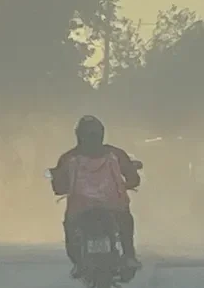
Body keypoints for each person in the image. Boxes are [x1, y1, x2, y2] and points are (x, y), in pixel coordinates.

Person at [50, 115, 141, 278]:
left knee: (71, 227)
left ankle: (79, 263)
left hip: (80, 206)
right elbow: (133, 178)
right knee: (125, 221)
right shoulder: (115, 153)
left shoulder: (69, 157)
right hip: (113, 204)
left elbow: (58, 185)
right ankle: (128, 256)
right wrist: (129, 184)